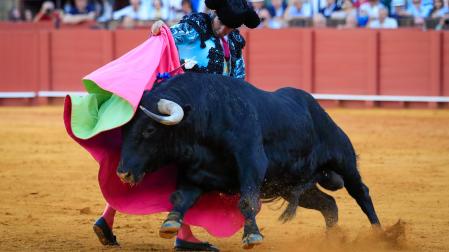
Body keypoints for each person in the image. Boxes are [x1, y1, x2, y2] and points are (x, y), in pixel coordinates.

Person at [91, 0, 260, 251]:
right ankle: (183, 235)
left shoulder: (235, 42)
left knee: (167, 165)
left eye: (231, 28)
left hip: (209, 118)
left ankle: (109, 218)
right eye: (223, 24)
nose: (225, 30)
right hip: (179, 108)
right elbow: (165, 37)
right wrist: (160, 27)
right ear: (215, 15)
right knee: (178, 166)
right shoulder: (194, 27)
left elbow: (238, 81)